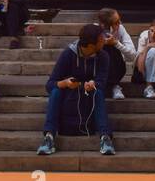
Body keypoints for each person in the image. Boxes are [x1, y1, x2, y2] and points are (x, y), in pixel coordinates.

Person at [37, 23, 115, 156]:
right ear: (91, 45)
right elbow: (49, 85)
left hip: (89, 99)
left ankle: (105, 138)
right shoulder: (68, 54)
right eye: (101, 40)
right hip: (69, 97)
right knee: (56, 91)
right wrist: (65, 83)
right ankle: (49, 137)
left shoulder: (103, 56)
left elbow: (102, 82)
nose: (105, 41)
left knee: (99, 92)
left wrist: (93, 83)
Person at [97, 8, 136, 99]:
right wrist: (101, 43)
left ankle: (115, 85)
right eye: (116, 22)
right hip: (97, 68)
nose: (119, 24)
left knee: (112, 48)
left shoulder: (121, 29)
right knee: (104, 48)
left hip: (117, 67)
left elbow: (133, 55)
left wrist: (116, 43)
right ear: (105, 25)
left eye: (119, 20)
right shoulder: (94, 29)